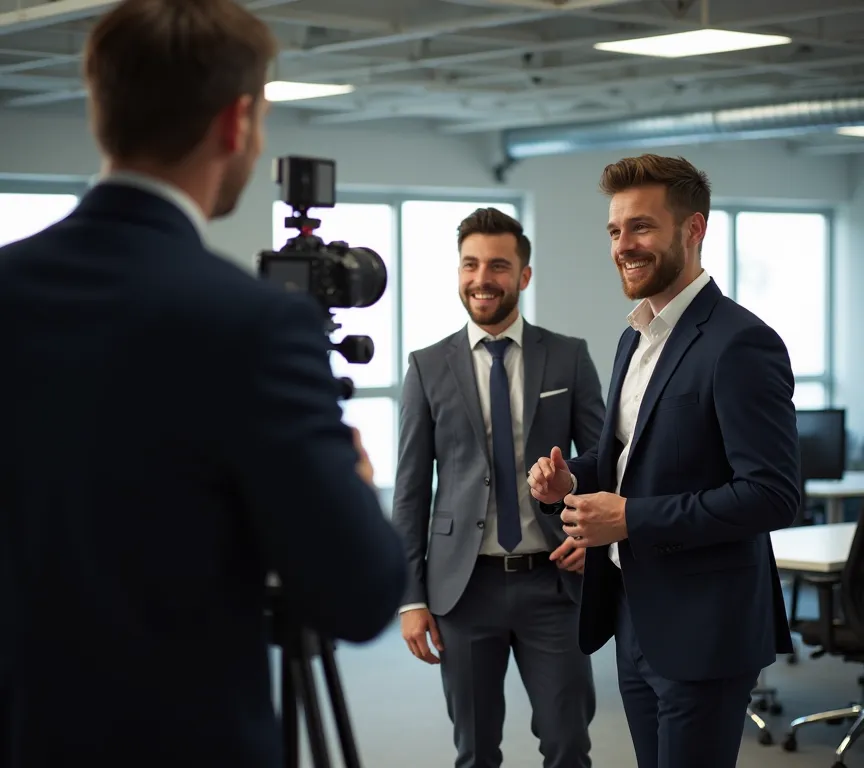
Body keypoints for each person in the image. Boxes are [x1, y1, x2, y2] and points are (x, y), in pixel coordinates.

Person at [0, 1, 406, 766]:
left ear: (100, 111)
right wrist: (351, 482)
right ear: (236, 123)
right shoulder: (252, 326)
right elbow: (357, 594)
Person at [528, 154, 800, 768]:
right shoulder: (636, 335)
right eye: (615, 230)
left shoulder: (739, 342)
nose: (624, 245)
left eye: (642, 227)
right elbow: (631, 455)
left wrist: (631, 519)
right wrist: (573, 477)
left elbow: (772, 494)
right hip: (635, 612)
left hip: (705, 627)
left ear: (693, 229)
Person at [391, 207, 605, 768]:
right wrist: (411, 598)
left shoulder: (568, 356)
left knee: (567, 744)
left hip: (553, 584)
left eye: (498, 265)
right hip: (463, 591)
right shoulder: (426, 365)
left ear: (524, 276)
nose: (482, 278)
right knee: (476, 750)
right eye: (470, 264)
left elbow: (606, 461)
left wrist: (593, 537)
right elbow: (411, 490)